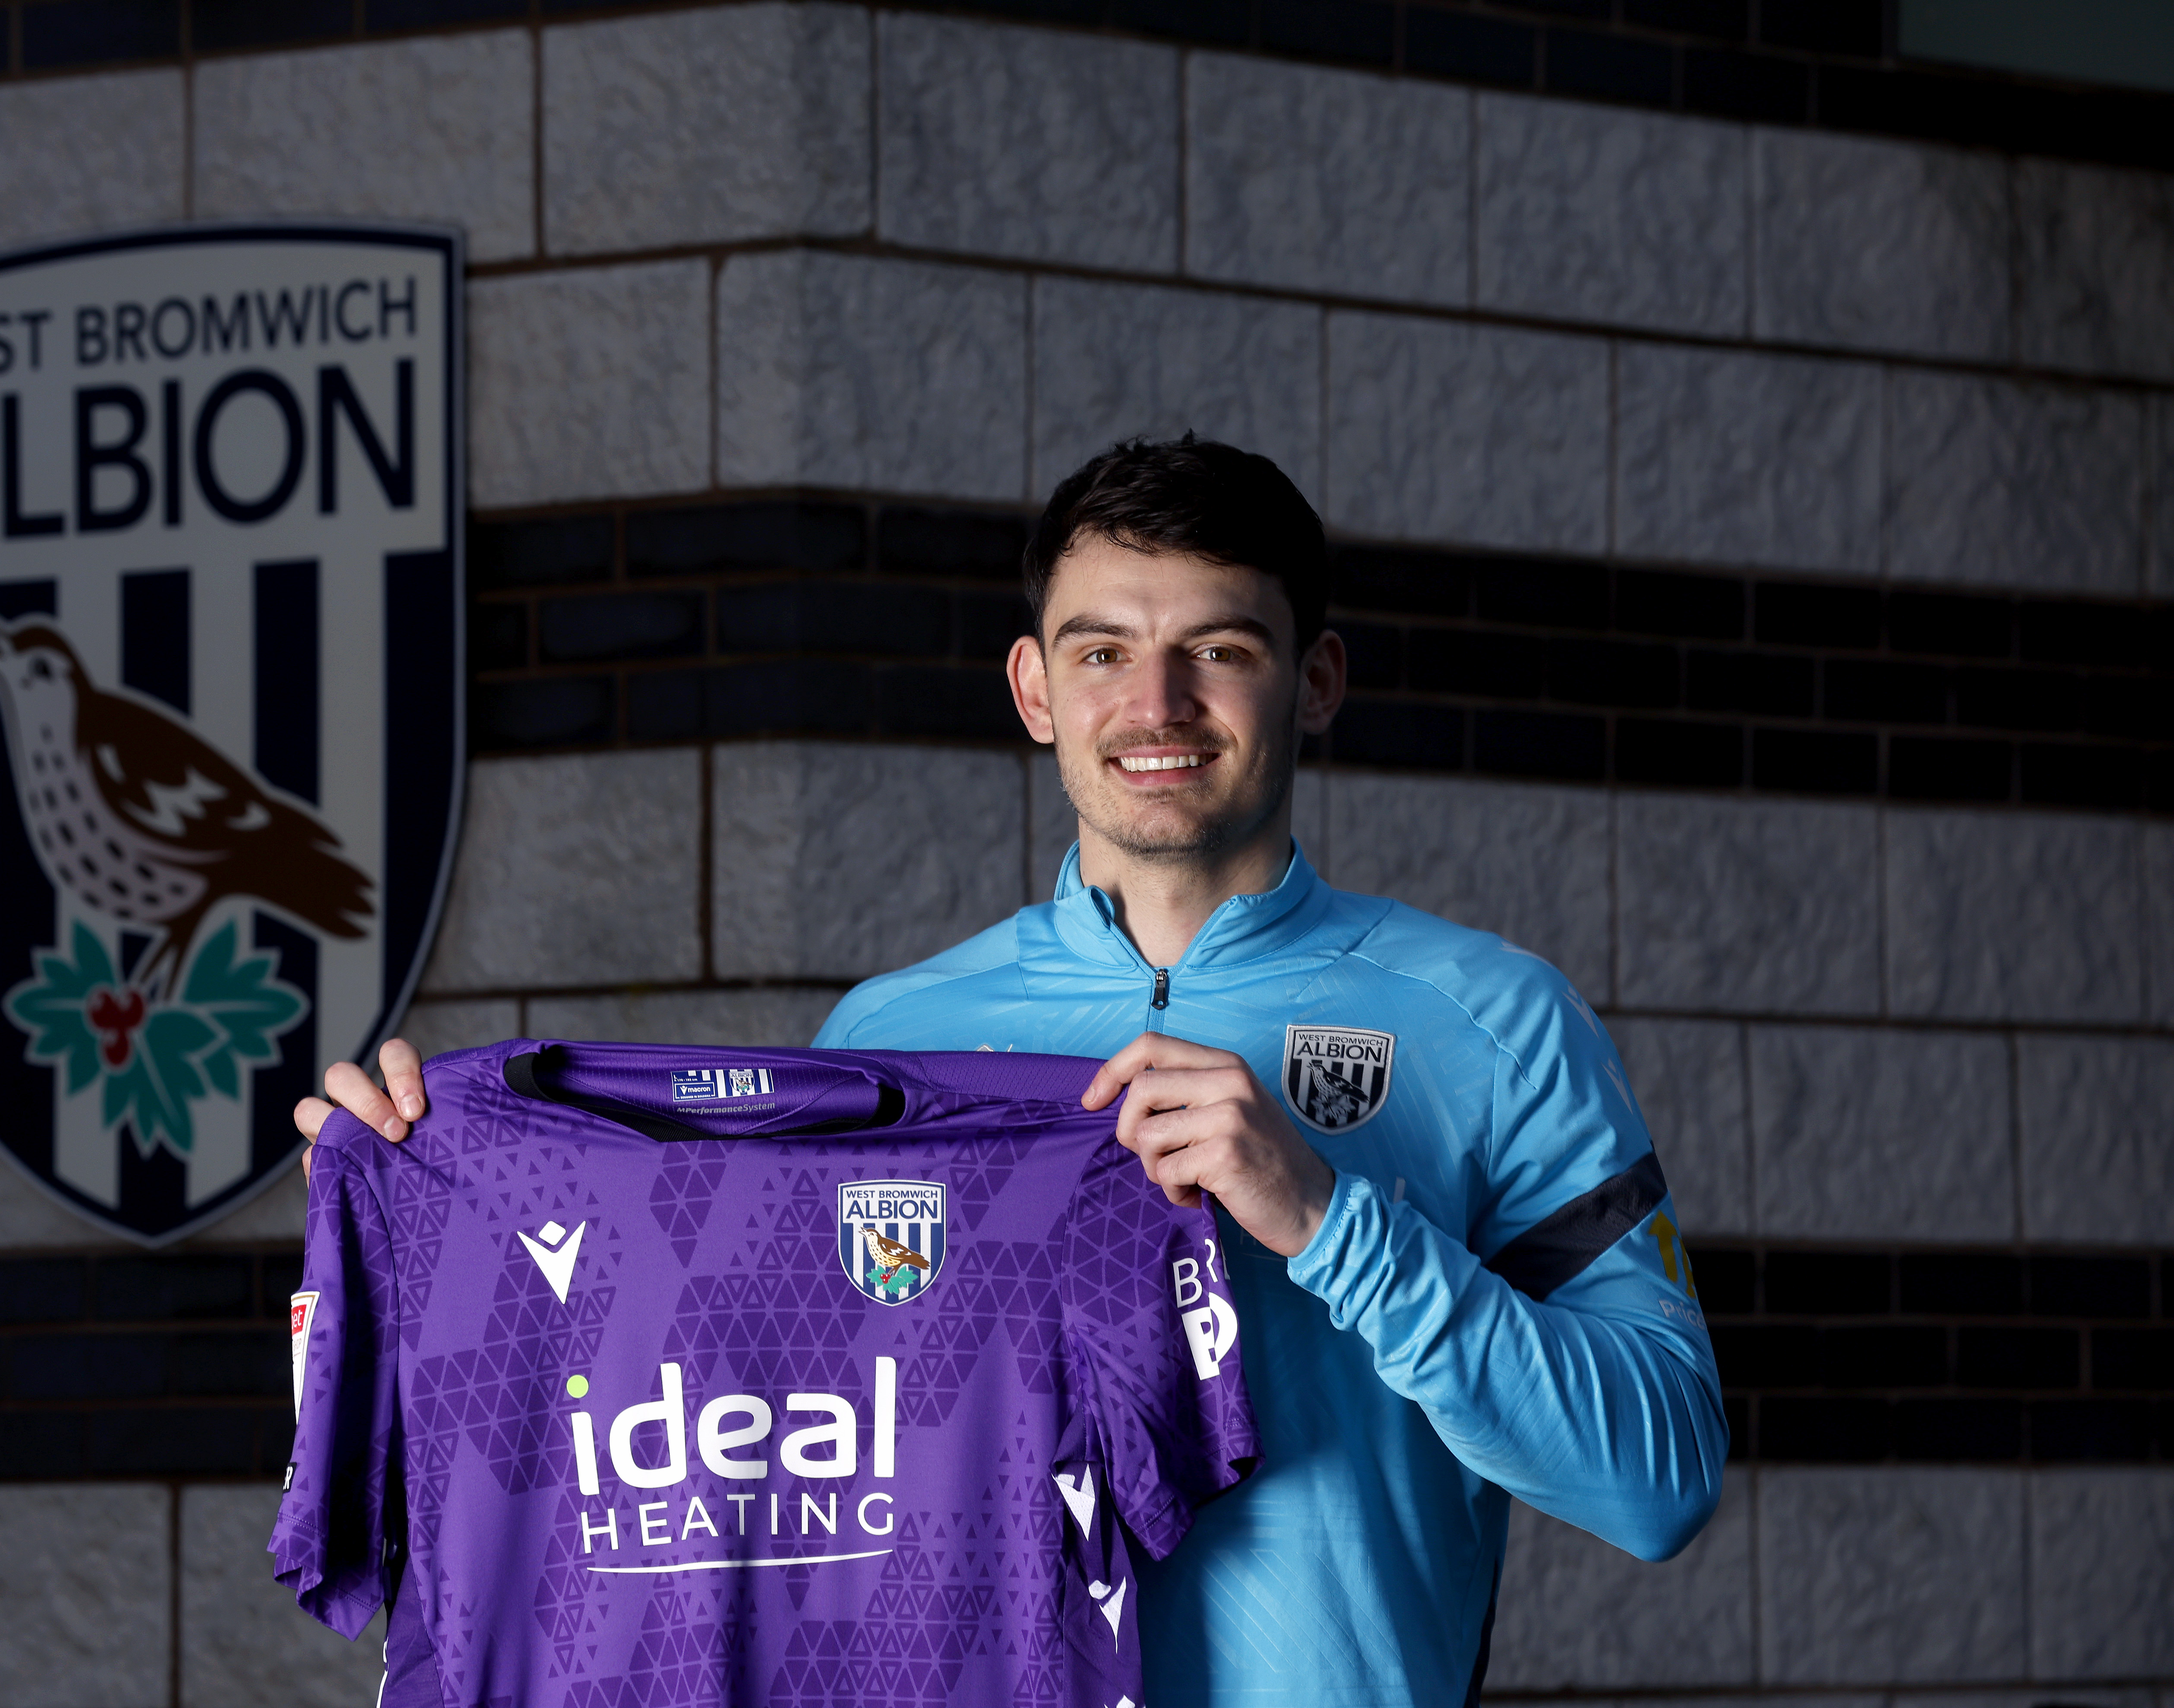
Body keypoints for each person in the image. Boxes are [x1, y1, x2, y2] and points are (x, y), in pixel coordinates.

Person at [296, 436, 1727, 1706]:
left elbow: (1657, 1481)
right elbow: (722, 1444)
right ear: (1034, 688)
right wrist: (422, 1212)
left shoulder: (1494, 1021)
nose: (1156, 702)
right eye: (1102, 652)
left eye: (1219, 648)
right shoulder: (885, 1046)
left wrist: (1331, 1223)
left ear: (1318, 680)